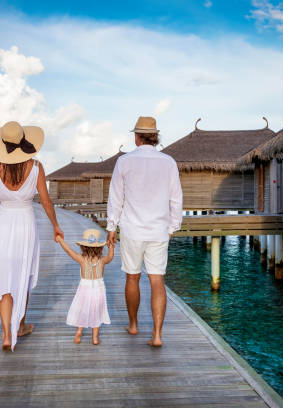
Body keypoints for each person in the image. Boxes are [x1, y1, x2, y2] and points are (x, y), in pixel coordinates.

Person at [0, 121, 64, 351]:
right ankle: (19, 325)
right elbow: (46, 201)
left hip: (3, 225)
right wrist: (56, 225)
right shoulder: (36, 166)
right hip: (26, 225)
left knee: (3, 278)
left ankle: (7, 334)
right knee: (23, 277)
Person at [106, 116, 183, 347]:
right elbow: (176, 198)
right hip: (159, 230)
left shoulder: (125, 161)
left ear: (137, 137)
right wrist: (172, 227)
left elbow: (116, 197)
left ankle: (133, 325)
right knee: (157, 280)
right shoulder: (168, 162)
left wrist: (111, 226)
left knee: (132, 277)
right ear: (155, 137)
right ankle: (157, 335)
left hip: (132, 229)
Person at [56, 229, 114, 345]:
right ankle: (95, 338)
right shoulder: (102, 260)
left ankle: (79, 332)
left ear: (83, 247)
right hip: (99, 289)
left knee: (83, 309)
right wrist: (111, 245)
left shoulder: (81, 259)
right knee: (97, 311)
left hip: (84, 288)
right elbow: (110, 257)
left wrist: (60, 240)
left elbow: (68, 250)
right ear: (100, 247)